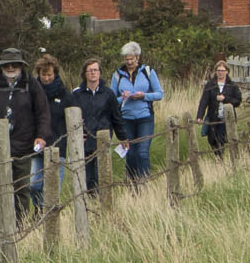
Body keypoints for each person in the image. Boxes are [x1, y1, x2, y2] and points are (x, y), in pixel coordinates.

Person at [0, 47, 52, 212]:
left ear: (21, 66)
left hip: (23, 146)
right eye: (7, 64)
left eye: (15, 64)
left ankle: (21, 226)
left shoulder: (31, 84)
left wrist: (41, 136)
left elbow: (43, 112)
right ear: (1, 66)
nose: (10, 68)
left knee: (22, 188)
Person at [67, 56, 122, 194]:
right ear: (84, 74)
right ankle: (90, 202)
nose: (93, 73)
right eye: (89, 70)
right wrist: (75, 135)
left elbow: (116, 117)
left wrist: (123, 137)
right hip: (84, 140)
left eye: (95, 70)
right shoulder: (76, 94)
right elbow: (71, 118)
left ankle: (103, 201)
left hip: (103, 139)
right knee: (88, 175)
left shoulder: (108, 94)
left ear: (100, 73)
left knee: (102, 174)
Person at [110, 41, 164, 180]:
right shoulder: (117, 75)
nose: (129, 62)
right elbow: (110, 100)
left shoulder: (148, 72)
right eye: (126, 59)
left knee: (142, 152)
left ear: (137, 58)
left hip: (145, 118)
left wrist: (144, 96)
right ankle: (132, 184)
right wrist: (122, 98)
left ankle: (145, 182)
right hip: (126, 119)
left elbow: (159, 94)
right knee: (131, 153)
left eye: (131, 59)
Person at [34, 54, 73, 200]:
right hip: (37, 147)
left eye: (49, 74)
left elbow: (74, 117)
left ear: (55, 73)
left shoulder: (65, 95)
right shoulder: (33, 93)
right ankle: (39, 211)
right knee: (34, 185)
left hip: (58, 147)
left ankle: (50, 217)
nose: (46, 78)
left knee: (53, 188)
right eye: (43, 74)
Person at [195, 58, 243, 155]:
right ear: (216, 72)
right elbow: (204, 101)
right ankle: (218, 156)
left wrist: (225, 98)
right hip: (213, 116)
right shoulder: (210, 85)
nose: (220, 73)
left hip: (226, 118)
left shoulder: (232, 85)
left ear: (227, 72)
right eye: (218, 70)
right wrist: (199, 116)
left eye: (222, 70)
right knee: (212, 139)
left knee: (221, 138)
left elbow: (237, 101)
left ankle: (220, 159)